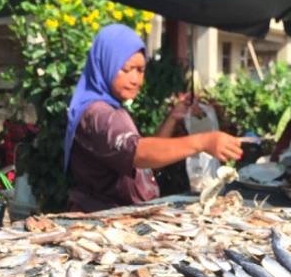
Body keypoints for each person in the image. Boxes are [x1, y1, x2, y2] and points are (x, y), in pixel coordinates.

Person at [65, 24, 245, 212]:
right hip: (103, 218)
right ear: (104, 64)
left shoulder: (106, 107)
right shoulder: (99, 114)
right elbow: (138, 154)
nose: (135, 79)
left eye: (140, 70)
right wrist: (202, 141)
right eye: (126, 69)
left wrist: (173, 118)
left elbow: (142, 158)